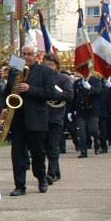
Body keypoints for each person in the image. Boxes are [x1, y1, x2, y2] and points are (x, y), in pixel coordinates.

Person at [5, 44, 57, 196]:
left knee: (37, 153)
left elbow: (50, 93)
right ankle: (19, 186)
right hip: (17, 117)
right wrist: (3, 107)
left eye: (30, 54)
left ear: (37, 55)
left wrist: (30, 89)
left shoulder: (45, 71)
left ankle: (41, 178)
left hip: (36, 118)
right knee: (17, 154)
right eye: (24, 54)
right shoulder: (15, 69)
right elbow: (7, 91)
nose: (27, 57)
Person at [42, 53, 72, 182]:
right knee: (43, 147)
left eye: (51, 65)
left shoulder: (63, 79)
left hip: (55, 116)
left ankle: (51, 173)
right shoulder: (40, 78)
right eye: (46, 64)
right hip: (41, 116)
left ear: (56, 66)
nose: (48, 67)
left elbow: (69, 95)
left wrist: (54, 94)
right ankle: (56, 171)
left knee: (53, 146)